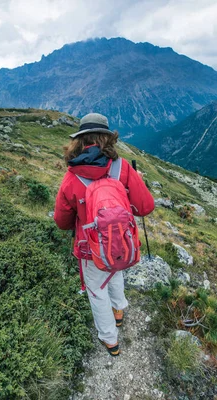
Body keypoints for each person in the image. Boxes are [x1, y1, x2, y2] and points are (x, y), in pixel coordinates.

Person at [53, 112, 155, 356]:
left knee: (97, 290)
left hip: (90, 248)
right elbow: (145, 207)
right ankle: (119, 310)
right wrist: (134, 186)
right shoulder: (122, 167)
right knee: (115, 269)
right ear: (108, 138)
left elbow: (62, 222)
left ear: (80, 140)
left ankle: (110, 339)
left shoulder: (72, 176)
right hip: (121, 241)